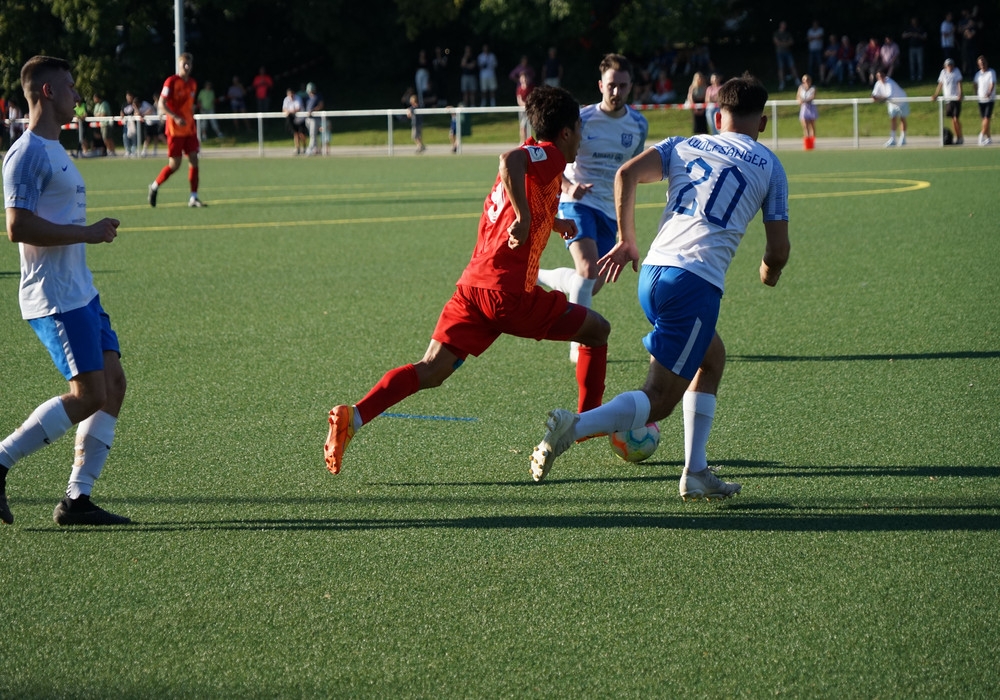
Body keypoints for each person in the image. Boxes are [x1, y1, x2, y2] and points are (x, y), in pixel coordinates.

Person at [529, 72, 790, 502]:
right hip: (695, 282)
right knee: (660, 399)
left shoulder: (683, 144)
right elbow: (778, 250)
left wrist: (627, 240)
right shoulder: (770, 165)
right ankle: (574, 427)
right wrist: (769, 271)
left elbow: (627, 175)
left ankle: (697, 470)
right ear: (761, 123)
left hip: (653, 271)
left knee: (712, 356)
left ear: (716, 114)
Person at [323, 86, 610, 476]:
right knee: (597, 330)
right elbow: (509, 161)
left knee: (432, 370)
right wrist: (527, 220)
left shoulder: (541, 162)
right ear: (564, 132)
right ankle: (587, 425)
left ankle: (353, 416)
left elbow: (518, 186)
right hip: (507, 293)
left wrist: (551, 222)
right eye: (579, 130)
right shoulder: (548, 155)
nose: (582, 138)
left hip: (473, 288)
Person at [0, 55, 130, 526]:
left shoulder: (57, 149)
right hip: (53, 296)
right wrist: (89, 233)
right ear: (48, 92)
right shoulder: (28, 153)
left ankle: (77, 499)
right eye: (71, 87)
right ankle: (1, 460)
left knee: (113, 386)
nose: (79, 94)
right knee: (88, 394)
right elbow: (17, 227)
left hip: (82, 292)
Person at [536, 54, 648, 364]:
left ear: (630, 87)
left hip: (609, 212)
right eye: (611, 85)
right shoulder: (581, 119)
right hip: (577, 203)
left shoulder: (639, 124)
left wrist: (627, 225)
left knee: (589, 284)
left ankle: (540, 275)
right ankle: (577, 345)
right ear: (601, 85)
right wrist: (570, 188)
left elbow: (631, 172)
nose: (616, 92)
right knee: (586, 270)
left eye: (623, 86)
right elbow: (553, 159)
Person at [147, 52, 203, 208]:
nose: (186, 67)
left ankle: (193, 197)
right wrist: (176, 117)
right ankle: (154, 186)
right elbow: (161, 105)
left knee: (194, 160)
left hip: (189, 130)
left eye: (189, 64)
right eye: (184, 64)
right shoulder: (171, 81)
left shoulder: (193, 83)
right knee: (174, 165)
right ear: (179, 65)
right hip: (174, 130)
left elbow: (189, 106)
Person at [871, 69, 909, 147]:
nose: (880, 78)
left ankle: (903, 138)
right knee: (893, 119)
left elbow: (888, 96)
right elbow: (875, 95)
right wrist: (874, 98)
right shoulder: (878, 84)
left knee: (902, 118)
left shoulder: (890, 82)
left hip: (901, 100)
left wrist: (879, 98)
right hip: (892, 103)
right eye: (878, 76)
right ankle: (893, 139)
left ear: (885, 76)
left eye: (881, 76)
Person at [931, 58, 964, 144]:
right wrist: (936, 94)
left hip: (955, 99)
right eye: (948, 65)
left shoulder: (956, 71)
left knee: (956, 119)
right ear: (945, 66)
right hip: (947, 100)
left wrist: (960, 93)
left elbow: (959, 83)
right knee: (952, 120)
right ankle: (958, 137)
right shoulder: (943, 72)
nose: (950, 66)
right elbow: (940, 84)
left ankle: (960, 136)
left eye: (951, 65)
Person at [973, 55, 996, 145]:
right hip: (980, 100)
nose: (982, 64)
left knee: (987, 118)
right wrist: (976, 93)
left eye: (983, 62)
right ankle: (989, 138)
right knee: (984, 120)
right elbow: (975, 84)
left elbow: (992, 83)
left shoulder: (991, 72)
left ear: (986, 63)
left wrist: (989, 93)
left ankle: (981, 135)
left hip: (989, 100)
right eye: (980, 63)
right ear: (978, 65)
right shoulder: (978, 74)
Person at [773, 21, 797, 91]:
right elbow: (776, 42)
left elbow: (791, 42)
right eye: (783, 25)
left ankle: (797, 80)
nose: (784, 26)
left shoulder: (787, 33)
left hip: (788, 52)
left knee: (792, 66)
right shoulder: (776, 33)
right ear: (780, 25)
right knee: (781, 68)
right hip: (779, 53)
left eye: (785, 25)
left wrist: (782, 43)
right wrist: (786, 43)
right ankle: (782, 83)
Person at [282, 87, 307, 154]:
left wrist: (289, 112)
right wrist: (288, 112)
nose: (291, 96)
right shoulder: (286, 99)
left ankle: (304, 147)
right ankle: (297, 148)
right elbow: (284, 109)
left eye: (292, 94)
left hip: (300, 119)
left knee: (302, 134)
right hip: (292, 119)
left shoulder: (298, 98)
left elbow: (297, 109)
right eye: (289, 94)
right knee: (295, 134)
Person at [902, 17, 927, 82]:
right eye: (913, 20)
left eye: (915, 20)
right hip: (911, 48)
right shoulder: (909, 28)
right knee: (912, 63)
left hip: (919, 47)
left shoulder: (920, 28)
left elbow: (925, 37)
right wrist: (910, 34)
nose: (914, 22)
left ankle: (920, 76)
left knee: (920, 62)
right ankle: (912, 76)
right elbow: (903, 35)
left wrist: (918, 35)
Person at [92, 92, 116, 156]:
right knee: (105, 138)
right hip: (101, 124)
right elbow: (95, 114)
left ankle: (112, 151)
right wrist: (99, 115)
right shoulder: (97, 105)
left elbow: (104, 114)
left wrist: (99, 115)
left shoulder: (104, 104)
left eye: (95, 98)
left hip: (107, 124)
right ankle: (110, 150)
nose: (94, 100)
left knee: (107, 138)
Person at [797, 74, 818, 148]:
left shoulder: (813, 88)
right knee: (805, 126)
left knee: (812, 126)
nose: (806, 82)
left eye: (807, 80)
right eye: (804, 80)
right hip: (804, 108)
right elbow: (798, 97)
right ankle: (807, 143)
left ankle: (812, 143)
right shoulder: (800, 88)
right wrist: (800, 101)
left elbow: (813, 97)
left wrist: (805, 100)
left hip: (811, 108)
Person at [304, 81, 325, 155]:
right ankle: (316, 149)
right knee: (312, 134)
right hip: (308, 118)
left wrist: (313, 110)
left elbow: (321, 105)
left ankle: (310, 149)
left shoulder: (318, 96)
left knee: (313, 134)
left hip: (315, 118)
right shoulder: (307, 97)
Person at [120, 91, 141, 157]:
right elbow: (122, 111)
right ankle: (127, 150)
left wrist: (135, 107)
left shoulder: (134, 104)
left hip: (133, 123)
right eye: (127, 96)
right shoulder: (124, 104)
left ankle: (133, 151)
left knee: (133, 137)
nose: (128, 98)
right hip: (126, 123)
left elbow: (137, 111)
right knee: (125, 136)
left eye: (129, 96)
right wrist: (121, 114)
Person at [515, 72, 534, 142]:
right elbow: (519, 100)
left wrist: (529, 106)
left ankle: (530, 141)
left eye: (526, 78)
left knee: (531, 126)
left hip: (530, 110)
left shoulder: (531, 88)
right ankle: (522, 141)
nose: (524, 79)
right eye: (523, 78)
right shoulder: (519, 89)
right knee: (522, 126)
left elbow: (532, 98)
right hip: (522, 110)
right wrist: (525, 105)